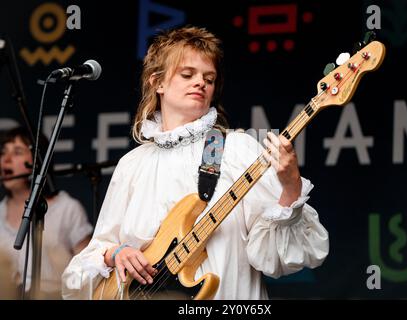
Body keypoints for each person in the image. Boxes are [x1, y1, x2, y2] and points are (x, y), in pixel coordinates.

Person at [61, 26, 329, 300]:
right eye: (187, 74)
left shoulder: (237, 150)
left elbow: (276, 258)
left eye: (209, 78)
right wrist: (114, 254)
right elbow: (91, 258)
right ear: (158, 83)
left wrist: (291, 189)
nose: (200, 83)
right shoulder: (132, 164)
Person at [0, 126, 93, 299]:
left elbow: (87, 271)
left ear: (37, 161)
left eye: (17, 152)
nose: (6, 159)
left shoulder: (67, 208)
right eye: (3, 152)